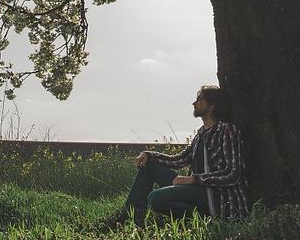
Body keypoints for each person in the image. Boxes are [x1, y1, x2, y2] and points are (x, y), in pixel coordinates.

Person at [107, 85, 250, 227]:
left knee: (155, 198)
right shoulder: (201, 134)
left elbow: (233, 173)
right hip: (196, 188)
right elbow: (180, 160)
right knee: (148, 165)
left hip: (216, 196)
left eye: (199, 99)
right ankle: (128, 219)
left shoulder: (227, 131)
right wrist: (148, 155)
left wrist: (194, 179)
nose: (194, 103)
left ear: (212, 106)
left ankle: (204, 222)